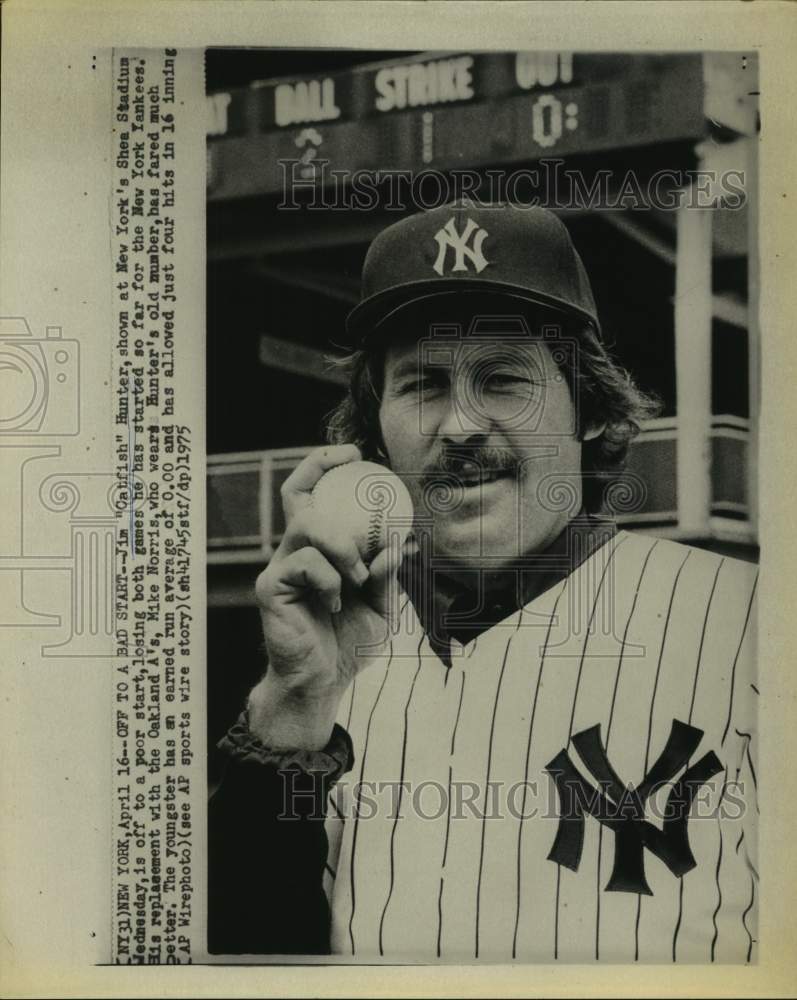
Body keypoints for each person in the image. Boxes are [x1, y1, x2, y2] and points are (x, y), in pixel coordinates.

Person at [208, 202, 758, 963]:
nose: (460, 424)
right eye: (422, 385)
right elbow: (243, 958)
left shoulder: (749, 625)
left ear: (589, 412)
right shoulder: (318, 665)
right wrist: (294, 705)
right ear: (375, 432)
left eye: (504, 381)